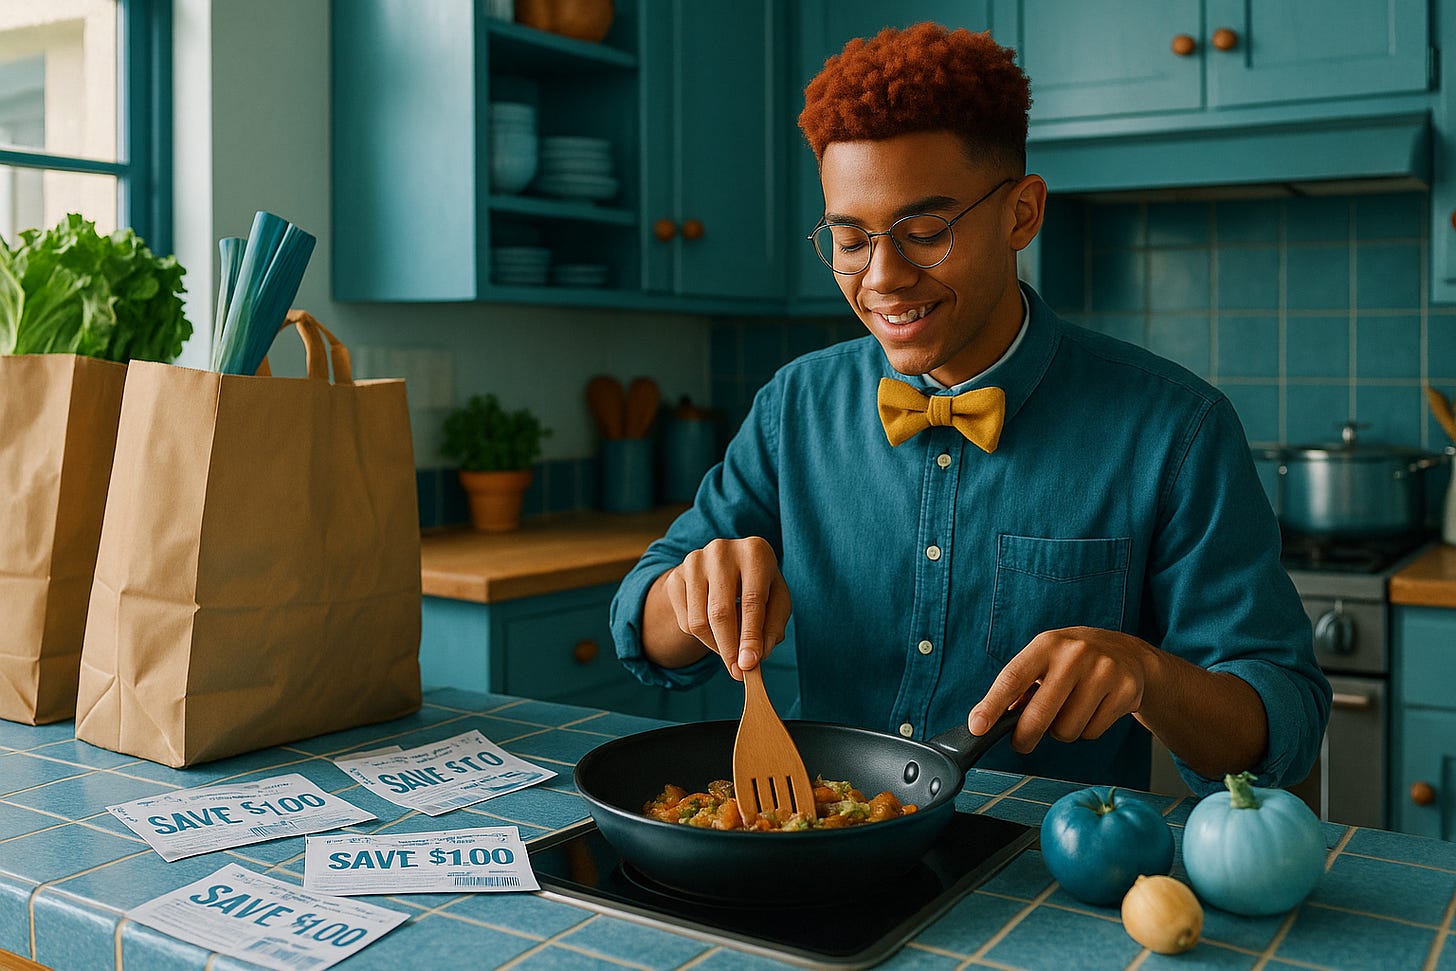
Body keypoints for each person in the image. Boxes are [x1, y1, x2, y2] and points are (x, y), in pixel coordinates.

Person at [608, 22, 1330, 795]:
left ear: (1021, 214)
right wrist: (691, 591)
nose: (882, 277)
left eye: (924, 232)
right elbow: (641, 624)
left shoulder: (1177, 429)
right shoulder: (795, 406)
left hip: (1041, 875)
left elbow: (1279, 722)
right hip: (818, 841)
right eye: (850, 241)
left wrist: (1149, 674)